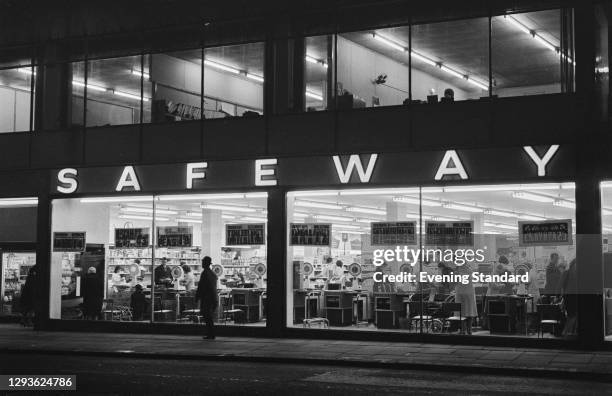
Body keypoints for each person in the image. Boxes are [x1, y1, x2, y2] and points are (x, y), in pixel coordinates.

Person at [196, 256, 219, 340]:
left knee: (207, 316)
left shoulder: (205, 273)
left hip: (207, 298)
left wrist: (197, 296)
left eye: (203, 262)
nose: (202, 263)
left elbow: (201, 286)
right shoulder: (212, 273)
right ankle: (211, 333)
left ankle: (211, 334)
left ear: (205, 263)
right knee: (209, 316)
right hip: (213, 297)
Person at [454, 262, 477, 335]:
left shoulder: (458, 270)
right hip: (469, 293)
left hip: (461, 293)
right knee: (469, 312)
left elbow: (454, 282)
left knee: (462, 312)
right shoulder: (469, 269)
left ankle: (463, 330)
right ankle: (469, 330)